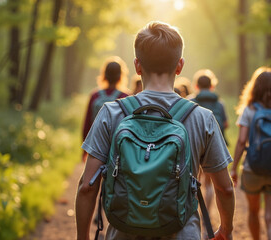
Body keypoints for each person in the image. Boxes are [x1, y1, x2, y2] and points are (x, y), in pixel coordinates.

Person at [76, 21, 234, 240]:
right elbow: (225, 189)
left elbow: (86, 186)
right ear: (180, 66)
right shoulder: (202, 117)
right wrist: (226, 229)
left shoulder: (111, 113)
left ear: (137, 66)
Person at [230, 67, 271, 240]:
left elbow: (241, 141)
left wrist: (234, 168)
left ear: (254, 87)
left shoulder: (250, 110)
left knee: (253, 211)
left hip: (253, 169)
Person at [190, 69, 229, 236]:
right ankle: (209, 211)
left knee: (194, 180)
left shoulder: (191, 101)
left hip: (195, 145)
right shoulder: (219, 103)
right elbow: (225, 124)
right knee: (209, 183)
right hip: (212, 146)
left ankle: (197, 211)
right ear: (212, 85)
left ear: (197, 85)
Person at [81, 56, 129, 161]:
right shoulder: (126, 97)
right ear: (121, 75)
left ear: (104, 75)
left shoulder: (95, 96)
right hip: (117, 148)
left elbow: (87, 124)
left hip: (96, 146)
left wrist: (84, 150)